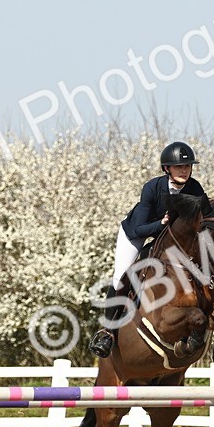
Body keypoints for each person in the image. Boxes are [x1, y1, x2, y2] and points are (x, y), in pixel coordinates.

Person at [88, 141, 206, 358]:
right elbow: (140, 228)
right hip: (137, 232)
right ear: (166, 169)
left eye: (188, 166)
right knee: (121, 276)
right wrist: (161, 224)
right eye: (179, 166)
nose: (184, 170)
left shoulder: (195, 189)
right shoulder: (152, 188)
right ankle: (108, 332)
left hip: (169, 238)